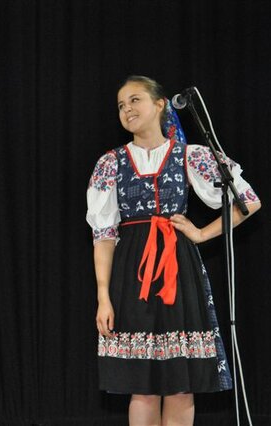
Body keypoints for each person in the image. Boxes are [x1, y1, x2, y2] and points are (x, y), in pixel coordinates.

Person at [86, 75, 261, 425]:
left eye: (135, 100)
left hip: (178, 270)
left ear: (160, 103)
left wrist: (200, 234)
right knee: (143, 385)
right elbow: (103, 234)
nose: (127, 109)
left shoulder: (190, 155)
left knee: (181, 384)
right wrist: (103, 296)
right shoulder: (112, 163)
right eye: (121, 105)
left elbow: (248, 202)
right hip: (132, 273)